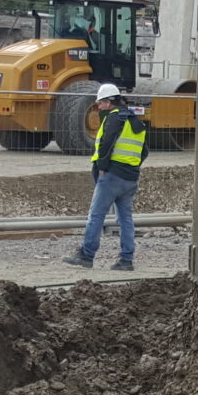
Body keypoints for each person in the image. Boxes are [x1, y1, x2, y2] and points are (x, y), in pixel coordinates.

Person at [63, 83, 147, 270]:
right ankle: (126, 260)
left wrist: (102, 167)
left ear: (109, 102)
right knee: (125, 219)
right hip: (130, 178)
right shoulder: (136, 122)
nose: (99, 107)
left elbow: (106, 143)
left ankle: (86, 255)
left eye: (100, 103)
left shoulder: (114, 118)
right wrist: (132, 167)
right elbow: (144, 151)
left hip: (111, 177)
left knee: (96, 215)